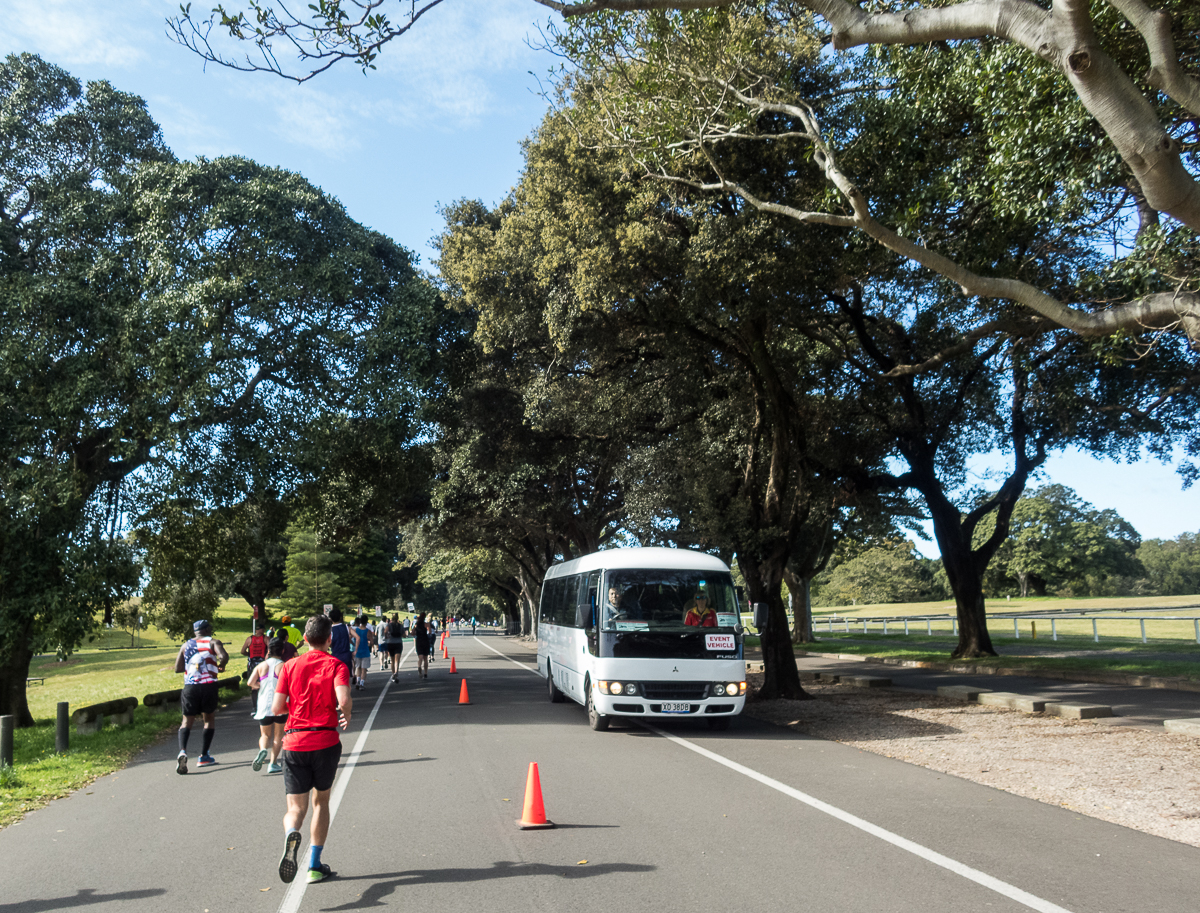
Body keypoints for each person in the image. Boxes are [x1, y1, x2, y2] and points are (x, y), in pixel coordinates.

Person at [273, 614, 351, 885]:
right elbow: (343, 699)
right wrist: (346, 713)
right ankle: (314, 866)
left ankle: (291, 834)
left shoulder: (289, 666)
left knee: (296, 808)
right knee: (321, 802)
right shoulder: (337, 665)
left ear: (304, 639)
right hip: (326, 742)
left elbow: (276, 708)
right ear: (330, 639)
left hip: (294, 741)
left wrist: (293, 710)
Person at [173, 619, 229, 773]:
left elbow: (178, 668)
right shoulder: (213, 642)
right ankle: (204, 756)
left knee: (186, 721)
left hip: (190, 687)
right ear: (206, 629)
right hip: (208, 686)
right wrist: (221, 665)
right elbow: (223, 656)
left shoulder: (186, 645)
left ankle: (182, 751)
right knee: (208, 719)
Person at [248, 637, 289, 773]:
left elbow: (250, 683)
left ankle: (263, 750)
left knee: (265, 735)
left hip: (264, 705)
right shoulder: (284, 666)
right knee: (278, 735)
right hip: (280, 705)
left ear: (269, 650)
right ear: (282, 650)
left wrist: (260, 685)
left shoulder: (261, 666)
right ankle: (273, 763)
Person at [327, 608, 357, 674]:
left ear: (331, 619)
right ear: (340, 617)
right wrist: (355, 650)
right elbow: (358, 637)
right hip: (347, 656)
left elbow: (329, 643)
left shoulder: (330, 630)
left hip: (336, 656)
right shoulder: (346, 627)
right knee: (347, 677)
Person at [351, 616, 373, 690]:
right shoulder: (368, 631)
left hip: (357, 651)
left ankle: (358, 681)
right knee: (364, 669)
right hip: (365, 651)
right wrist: (370, 644)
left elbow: (349, 637)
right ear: (366, 622)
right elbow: (372, 642)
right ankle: (362, 683)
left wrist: (353, 644)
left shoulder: (355, 630)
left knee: (358, 667)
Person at [385, 614, 405, 682]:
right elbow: (404, 635)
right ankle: (396, 672)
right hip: (398, 643)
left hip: (390, 643)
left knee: (392, 660)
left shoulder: (389, 625)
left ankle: (393, 673)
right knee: (397, 660)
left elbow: (385, 631)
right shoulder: (400, 626)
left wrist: (386, 636)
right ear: (397, 619)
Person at [412, 612, 430, 679]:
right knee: (425, 658)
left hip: (419, 641)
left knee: (420, 657)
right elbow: (430, 632)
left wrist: (416, 633)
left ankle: (419, 666)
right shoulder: (426, 624)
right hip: (425, 641)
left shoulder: (417, 625)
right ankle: (425, 673)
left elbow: (412, 633)